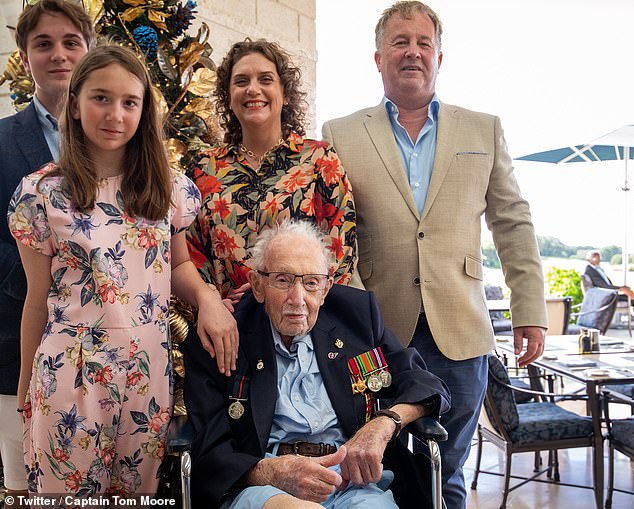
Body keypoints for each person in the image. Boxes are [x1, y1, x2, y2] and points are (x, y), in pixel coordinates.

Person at [322, 2, 547, 507]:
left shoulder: (482, 129)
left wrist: (529, 311)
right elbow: (337, 235)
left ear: (440, 58)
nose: (413, 52)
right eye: (400, 42)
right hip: (377, 334)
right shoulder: (340, 133)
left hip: (461, 335)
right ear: (378, 58)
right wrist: (358, 318)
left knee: (448, 470)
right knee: (384, 470)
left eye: (424, 43)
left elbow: (513, 222)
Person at [7, 44, 237, 496]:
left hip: (145, 381)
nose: (115, 113)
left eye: (129, 102)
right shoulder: (42, 193)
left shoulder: (168, 189)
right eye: (101, 98)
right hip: (68, 382)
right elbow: (35, 300)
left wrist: (208, 298)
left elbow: (181, 266)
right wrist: (24, 388)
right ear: (74, 104)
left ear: (143, 110)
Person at [184, 220, 450, 508]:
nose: (298, 299)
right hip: (265, 483)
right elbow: (209, 448)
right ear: (258, 285)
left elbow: (425, 383)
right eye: (283, 280)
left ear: (325, 288)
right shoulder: (225, 334)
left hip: (353, 484)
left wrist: (384, 424)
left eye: (311, 283)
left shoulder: (358, 318)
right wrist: (270, 472)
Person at [0, 0, 95, 497]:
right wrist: (53, 275)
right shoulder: (1, 141)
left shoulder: (119, 139)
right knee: (27, 489)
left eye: (70, 42)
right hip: (19, 343)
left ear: (89, 49)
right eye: (43, 44)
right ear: (25, 55)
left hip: (111, 354)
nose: (58, 55)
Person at [187, 39, 357, 313]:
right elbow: (189, 251)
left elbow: (342, 250)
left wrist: (308, 304)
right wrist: (211, 301)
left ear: (285, 93)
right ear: (228, 97)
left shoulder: (319, 160)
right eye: (241, 81)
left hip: (303, 323)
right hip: (229, 328)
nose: (253, 89)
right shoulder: (204, 169)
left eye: (265, 79)